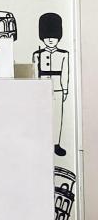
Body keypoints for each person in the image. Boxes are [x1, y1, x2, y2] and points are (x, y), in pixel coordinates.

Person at [33, 11, 70, 157]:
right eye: (47, 36)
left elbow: (65, 73)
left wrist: (65, 89)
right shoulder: (37, 54)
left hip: (58, 89)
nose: (50, 40)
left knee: (57, 117)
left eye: (53, 37)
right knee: (41, 115)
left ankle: (56, 144)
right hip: (41, 88)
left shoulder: (64, 54)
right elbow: (35, 72)